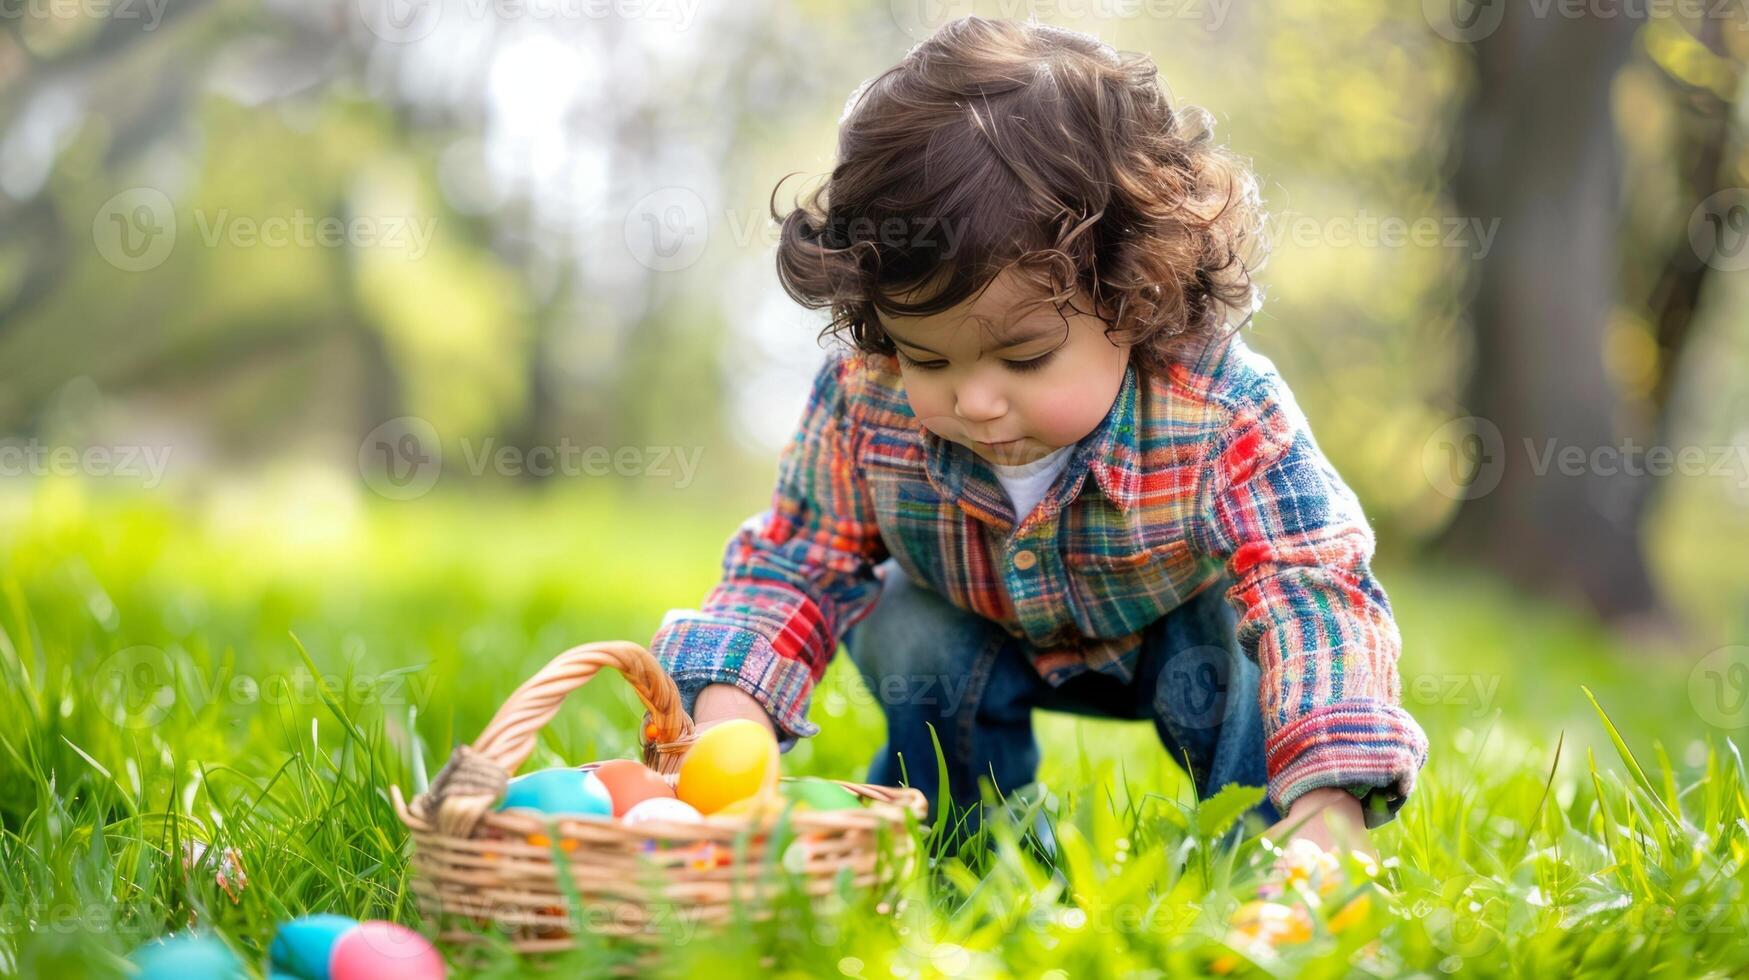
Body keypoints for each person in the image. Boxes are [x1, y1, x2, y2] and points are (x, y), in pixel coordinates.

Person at [650, 16, 1427, 860]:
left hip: (1171, 639)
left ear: (1135, 298)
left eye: (1024, 356)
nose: (976, 399)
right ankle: (973, 836)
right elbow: (798, 559)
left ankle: (1271, 848)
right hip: (980, 634)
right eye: (926, 355)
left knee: (1242, 640)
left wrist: (1330, 808)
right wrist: (731, 718)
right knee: (905, 622)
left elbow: (1310, 589)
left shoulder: (1222, 412)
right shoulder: (862, 401)